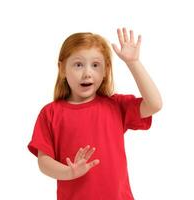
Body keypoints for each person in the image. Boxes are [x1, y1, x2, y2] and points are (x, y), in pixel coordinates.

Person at [27, 28, 162, 200]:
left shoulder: (116, 106)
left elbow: (155, 104)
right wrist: (69, 172)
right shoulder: (50, 113)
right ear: (62, 69)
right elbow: (44, 162)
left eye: (95, 65)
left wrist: (133, 62)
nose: (87, 73)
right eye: (78, 65)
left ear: (105, 70)